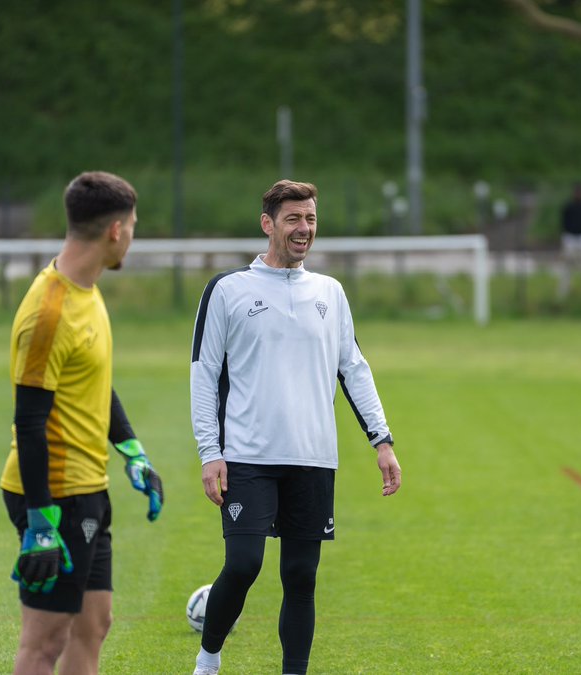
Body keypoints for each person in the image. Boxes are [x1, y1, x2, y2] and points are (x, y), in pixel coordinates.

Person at [188, 179, 403, 675]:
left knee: (301, 577)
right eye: (293, 219)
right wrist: (209, 451)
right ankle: (208, 659)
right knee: (243, 565)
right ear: (268, 224)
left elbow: (354, 368)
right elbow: (204, 373)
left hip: (313, 457)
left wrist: (382, 440)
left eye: (310, 218)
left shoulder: (330, 292)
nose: (304, 228)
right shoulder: (228, 290)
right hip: (247, 455)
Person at [0, 170, 164, 675]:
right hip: (53, 496)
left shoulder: (87, 291)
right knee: (44, 642)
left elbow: (94, 382)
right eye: (133, 225)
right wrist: (41, 522)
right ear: (115, 230)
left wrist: (131, 449)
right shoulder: (49, 313)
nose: (133, 236)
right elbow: (29, 422)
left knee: (94, 624)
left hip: (89, 488)